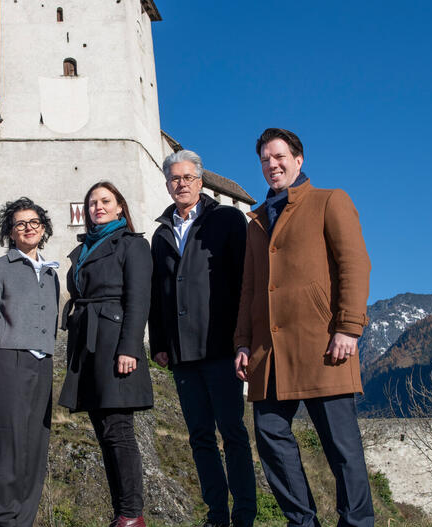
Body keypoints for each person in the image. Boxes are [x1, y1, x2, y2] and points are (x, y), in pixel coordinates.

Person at [234, 128, 374, 527]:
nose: (271, 165)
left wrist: (348, 327)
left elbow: (355, 265)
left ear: (298, 160)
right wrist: (243, 342)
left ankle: (358, 523)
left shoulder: (330, 201)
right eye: (264, 159)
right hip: (269, 352)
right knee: (270, 437)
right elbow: (249, 288)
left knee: (342, 449)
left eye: (278, 157)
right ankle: (302, 522)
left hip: (324, 345)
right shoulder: (256, 220)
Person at [149, 150, 255, 527]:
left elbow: (246, 280)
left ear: (201, 181)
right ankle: (216, 515)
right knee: (199, 437)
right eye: (175, 179)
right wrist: (160, 341)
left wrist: (245, 337)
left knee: (233, 432)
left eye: (188, 177)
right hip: (182, 352)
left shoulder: (226, 218)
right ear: (167, 184)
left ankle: (244, 513)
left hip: (222, 344)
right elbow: (158, 292)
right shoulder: (160, 235)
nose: (181, 184)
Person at [59, 181, 154, 527]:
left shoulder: (133, 244)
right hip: (89, 341)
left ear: (119, 207)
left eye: (105, 201)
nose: (97, 207)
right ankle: (123, 513)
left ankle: (132, 514)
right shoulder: (86, 247)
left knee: (118, 429)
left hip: (114, 342)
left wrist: (130, 347)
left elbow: (139, 299)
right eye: (92, 203)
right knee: (104, 431)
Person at [0, 197, 60, 527]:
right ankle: (5, 517)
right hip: (7, 361)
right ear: (11, 231)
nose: (28, 228)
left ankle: (25, 518)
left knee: (36, 444)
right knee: (6, 441)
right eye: (20, 224)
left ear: (44, 228)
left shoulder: (51, 275)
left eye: (34, 222)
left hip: (42, 363)